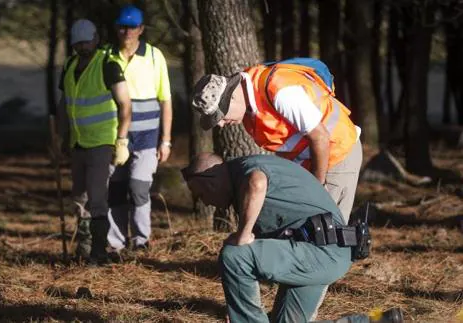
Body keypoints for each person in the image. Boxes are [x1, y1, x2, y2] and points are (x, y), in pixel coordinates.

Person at [181, 152, 403, 323]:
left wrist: (243, 234)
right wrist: (243, 308)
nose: (205, 202)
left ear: (210, 179)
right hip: (327, 251)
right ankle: (373, 320)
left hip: (321, 251)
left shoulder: (245, 170)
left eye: (201, 194)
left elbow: (257, 182)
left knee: (234, 254)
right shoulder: (244, 177)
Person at [191, 60, 362, 225]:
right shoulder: (250, 109)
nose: (220, 124)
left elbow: (320, 137)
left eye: (220, 116)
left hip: (336, 154)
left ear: (232, 98)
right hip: (311, 161)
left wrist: (317, 188)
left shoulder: (280, 92)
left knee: (327, 230)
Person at [57, 19, 132, 264]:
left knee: (97, 197)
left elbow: (125, 105)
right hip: (78, 142)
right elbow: (64, 103)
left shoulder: (108, 65)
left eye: (86, 41)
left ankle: (98, 251)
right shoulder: (69, 65)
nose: (82, 47)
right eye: (77, 43)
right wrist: (61, 136)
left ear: (96, 39)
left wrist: (121, 140)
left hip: (102, 143)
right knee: (79, 197)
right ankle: (84, 247)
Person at [105, 5, 173, 251]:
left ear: (141, 29)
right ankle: (115, 244)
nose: (127, 32)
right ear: (116, 28)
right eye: (122, 26)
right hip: (115, 134)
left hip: (147, 137)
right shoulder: (106, 55)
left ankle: (141, 241)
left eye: (132, 27)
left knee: (138, 188)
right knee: (115, 189)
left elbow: (165, 100)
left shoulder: (155, 56)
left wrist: (165, 140)